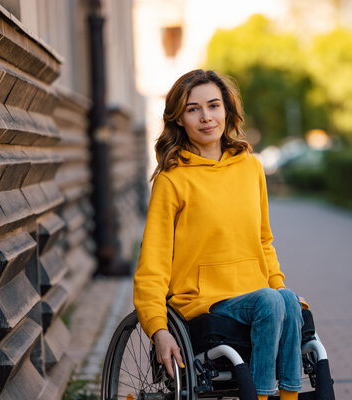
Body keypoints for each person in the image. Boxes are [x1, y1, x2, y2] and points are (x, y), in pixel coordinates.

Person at [133, 69, 304, 400]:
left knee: (285, 299)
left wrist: (281, 290)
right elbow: (152, 263)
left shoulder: (251, 168)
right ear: (179, 119)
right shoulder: (172, 181)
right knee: (271, 301)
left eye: (213, 105)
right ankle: (263, 395)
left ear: (227, 110)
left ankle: (290, 396)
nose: (206, 117)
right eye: (193, 109)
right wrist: (157, 330)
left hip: (255, 296)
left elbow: (263, 241)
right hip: (202, 303)